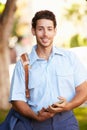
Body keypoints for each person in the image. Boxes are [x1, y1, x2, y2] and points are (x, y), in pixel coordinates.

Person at [8, 10, 87, 130]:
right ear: (33, 31)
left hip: (66, 121)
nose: (45, 34)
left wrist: (68, 106)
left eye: (49, 29)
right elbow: (16, 100)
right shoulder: (23, 64)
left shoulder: (69, 58)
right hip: (34, 122)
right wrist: (35, 117)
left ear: (55, 31)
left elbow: (83, 90)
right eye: (40, 29)